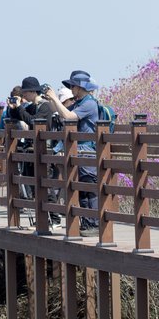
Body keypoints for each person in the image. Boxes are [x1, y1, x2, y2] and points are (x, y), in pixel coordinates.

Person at [42, 69, 102, 230]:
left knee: (89, 188)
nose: (71, 89)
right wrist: (53, 100)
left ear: (80, 87)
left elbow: (69, 118)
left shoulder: (89, 103)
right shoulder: (80, 103)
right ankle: (87, 224)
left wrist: (55, 97)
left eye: (73, 86)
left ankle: (94, 224)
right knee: (81, 189)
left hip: (87, 151)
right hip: (79, 151)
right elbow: (64, 115)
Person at [5, 77, 59, 228]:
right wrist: (13, 108)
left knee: (45, 186)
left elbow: (34, 121)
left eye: (25, 93)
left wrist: (21, 109)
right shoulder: (32, 106)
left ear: (32, 91)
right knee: (35, 187)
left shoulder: (45, 106)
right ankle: (42, 218)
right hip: (31, 150)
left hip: (43, 151)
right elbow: (17, 117)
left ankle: (55, 219)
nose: (24, 96)